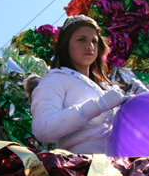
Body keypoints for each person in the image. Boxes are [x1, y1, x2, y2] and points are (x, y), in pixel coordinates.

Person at [30, 15, 128, 154]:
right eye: (81, 39)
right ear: (66, 44)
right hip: (82, 169)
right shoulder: (54, 79)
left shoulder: (105, 87)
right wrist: (99, 105)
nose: (90, 46)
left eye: (94, 41)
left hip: (119, 168)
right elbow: (43, 129)